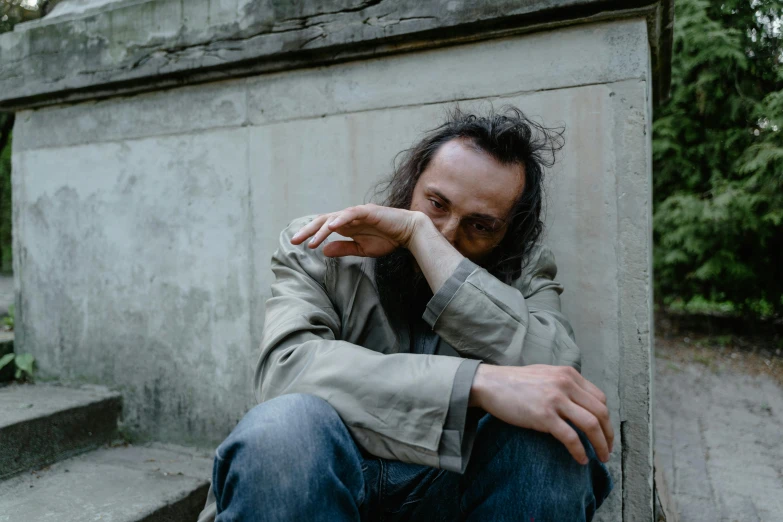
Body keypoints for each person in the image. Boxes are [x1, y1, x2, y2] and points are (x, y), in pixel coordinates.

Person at [198, 107, 613, 522]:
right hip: (326, 472)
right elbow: (284, 373)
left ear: (509, 233)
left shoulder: (526, 271)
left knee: (556, 436)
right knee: (283, 429)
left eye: (480, 226)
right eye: (435, 204)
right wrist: (476, 384)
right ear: (410, 186)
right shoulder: (321, 243)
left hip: (453, 489)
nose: (447, 234)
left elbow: (556, 375)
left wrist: (422, 238)